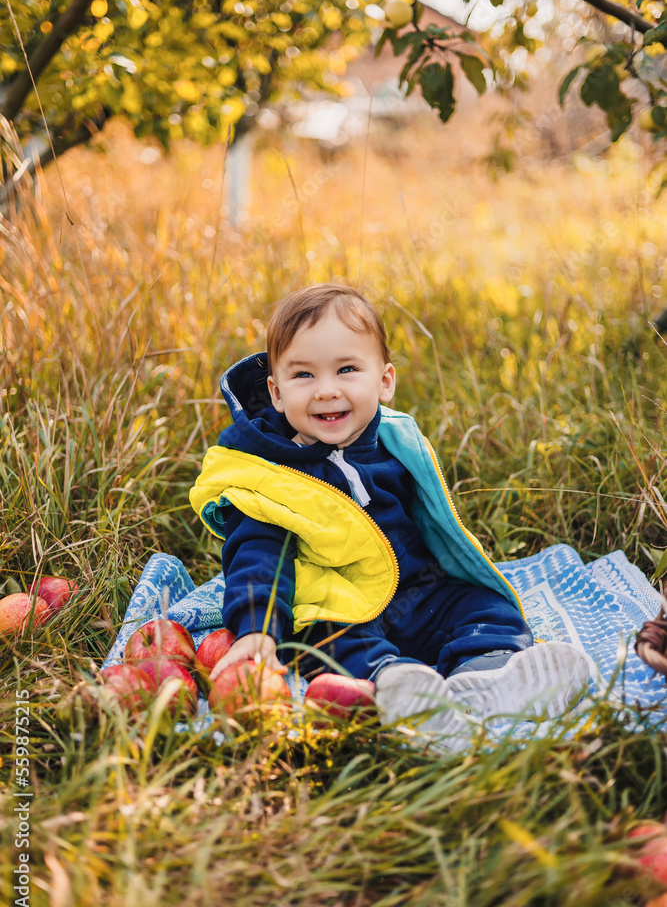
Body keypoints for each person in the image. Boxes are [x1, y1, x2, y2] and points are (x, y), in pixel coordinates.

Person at [190, 283, 589, 749]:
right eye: (303, 376)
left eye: (346, 369)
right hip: (338, 609)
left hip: (419, 591)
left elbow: (430, 520)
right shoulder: (270, 475)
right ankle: (402, 690)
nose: (326, 390)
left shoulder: (393, 442)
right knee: (335, 648)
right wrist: (257, 628)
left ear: (384, 381)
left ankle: (488, 676)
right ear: (276, 393)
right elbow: (258, 555)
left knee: (484, 607)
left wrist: (454, 576)